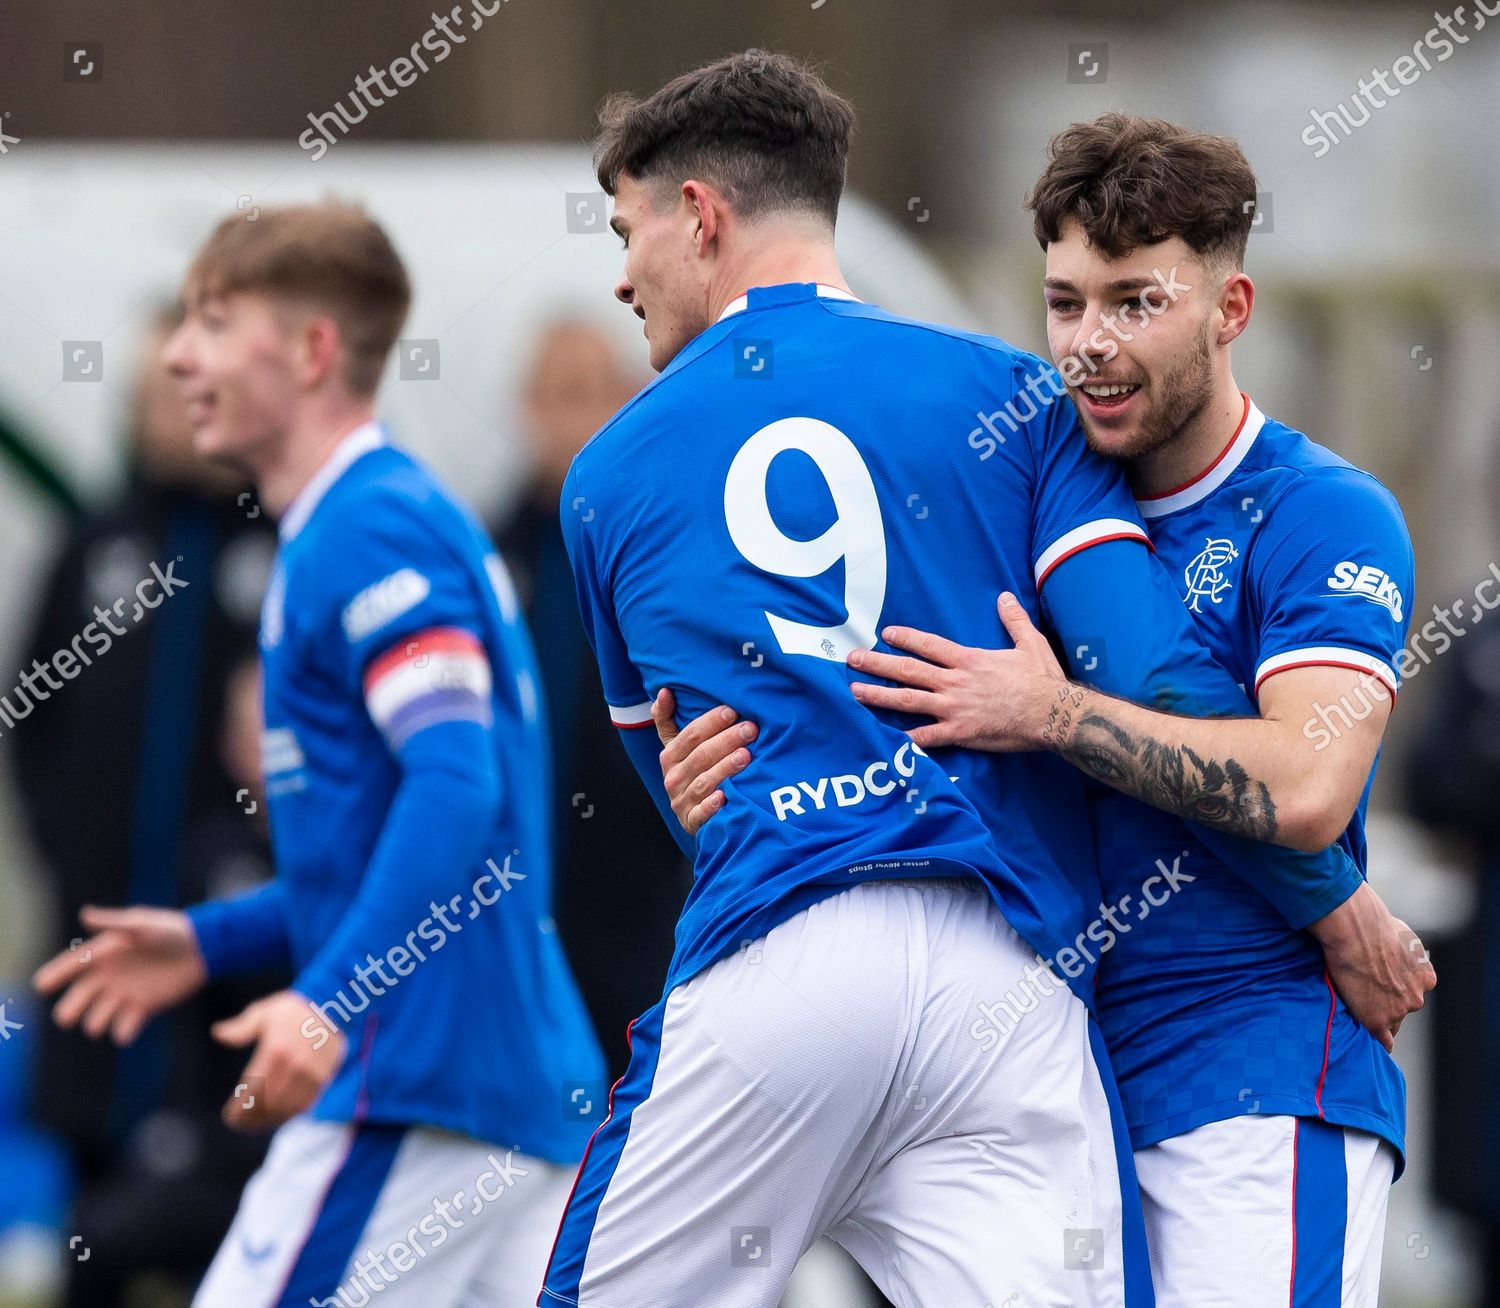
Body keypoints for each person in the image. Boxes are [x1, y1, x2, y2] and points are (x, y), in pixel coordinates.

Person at [539, 51, 1413, 1308]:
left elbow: (1304, 780)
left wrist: (1055, 717)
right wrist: (715, 792)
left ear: (1231, 308)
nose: (1091, 346)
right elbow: (700, 751)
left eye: (1135, 303)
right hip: (1056, 1028)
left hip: (1248, 1065)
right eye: (1066, 304)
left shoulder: (1320, 511)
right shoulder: (1018, 425)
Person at [34, 202, 605, 1308]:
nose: (180, 354)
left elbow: (454, 783)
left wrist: (328, 1002)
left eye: (213, 320)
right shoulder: (350, 522)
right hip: (499, 1099)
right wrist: (213, 939)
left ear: (311, 349)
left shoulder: (367, 526)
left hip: (416, 1092)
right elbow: (387, 854)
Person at [11, 305, 281, 1307]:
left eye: (185, 389)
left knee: (227, 1223)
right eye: (148, 392)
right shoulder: (99, 541)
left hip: (233, 963)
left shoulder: (278, 544)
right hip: (95, 942)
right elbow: (32, 715)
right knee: (96, 1231)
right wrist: (66, 853)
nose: (165, 410)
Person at [489, 320, 690, 1080]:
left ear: (623, 399)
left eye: (582, 393)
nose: (562, 416)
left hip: (636, 905)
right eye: (547, 395)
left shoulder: (655, 550)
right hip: (510, 906)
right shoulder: (489, 551)